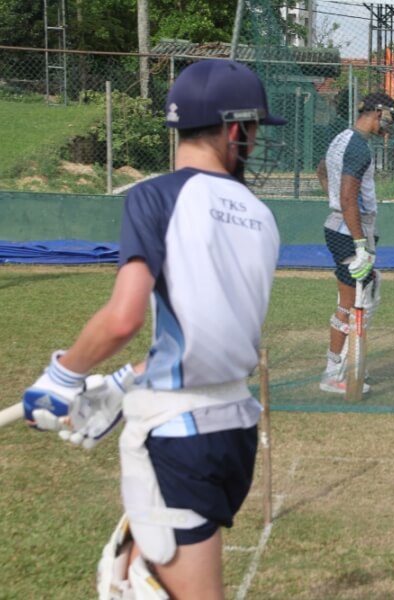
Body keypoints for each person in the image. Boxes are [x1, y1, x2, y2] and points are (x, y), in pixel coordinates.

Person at [21, 59, 286, 600]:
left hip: (181, 437)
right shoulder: (261, 215)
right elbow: (210, 333)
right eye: (255, 128)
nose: (255, 140)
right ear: (235, 129)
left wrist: (64, 375)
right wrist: (125, 383)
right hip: (233, 432)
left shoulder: (155, 195)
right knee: (139, 570)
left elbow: (125, 317)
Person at [316, 91, 394, 394]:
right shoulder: (359, 147)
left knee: (352, 300)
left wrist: (333, 199)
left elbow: (322, 169)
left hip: (342, 226)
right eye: (389, 118)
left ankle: (343, 366)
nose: (389, 125)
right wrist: (360, 244)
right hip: (350, 230)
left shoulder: (341, 139)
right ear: (379, 112)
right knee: (359, 300)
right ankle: (337, 373)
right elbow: (349, 197)